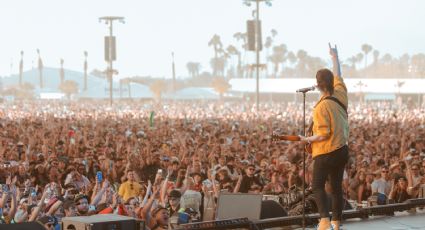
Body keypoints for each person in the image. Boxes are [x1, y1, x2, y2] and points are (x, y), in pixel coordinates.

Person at [299, 44, 348, 230]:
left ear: (318, 84)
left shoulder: (320, 108)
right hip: (342, 150)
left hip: (326, 152)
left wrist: (306, 140)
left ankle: (324, 220)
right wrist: (335, 58)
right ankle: (336, 223)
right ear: (331, 82)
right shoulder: (341, 94)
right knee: (336, 187)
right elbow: (339, 75)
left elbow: (323, 134)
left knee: (317, 185)